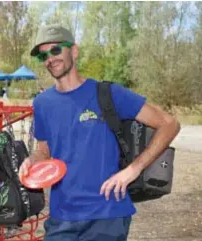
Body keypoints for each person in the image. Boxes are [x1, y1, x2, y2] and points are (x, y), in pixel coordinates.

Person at [19, 24, 181, 241]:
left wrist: (134, 169)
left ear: (74, 51)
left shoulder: (108, 93)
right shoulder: (42, 103)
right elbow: (44, 151)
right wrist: (31, 161)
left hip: (107, 215)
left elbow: (169, 124)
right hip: (62, 217)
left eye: (56, 50)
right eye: (43, 55)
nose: (50, 58)